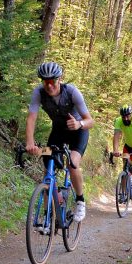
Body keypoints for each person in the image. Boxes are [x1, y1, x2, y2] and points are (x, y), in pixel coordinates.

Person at [26, 62, 94, 222]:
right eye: (45, 81)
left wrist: (79, 124)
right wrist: (30, 143)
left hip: (78, 132)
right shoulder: (38, 93)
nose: (49, 85)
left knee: (72, 163)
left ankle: (80, 200)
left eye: (52, 81)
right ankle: (48, 212)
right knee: (47, 165)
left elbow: (90, 121)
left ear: (59, 79)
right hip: (58, 132)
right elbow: (31, 118)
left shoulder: (72, 92)